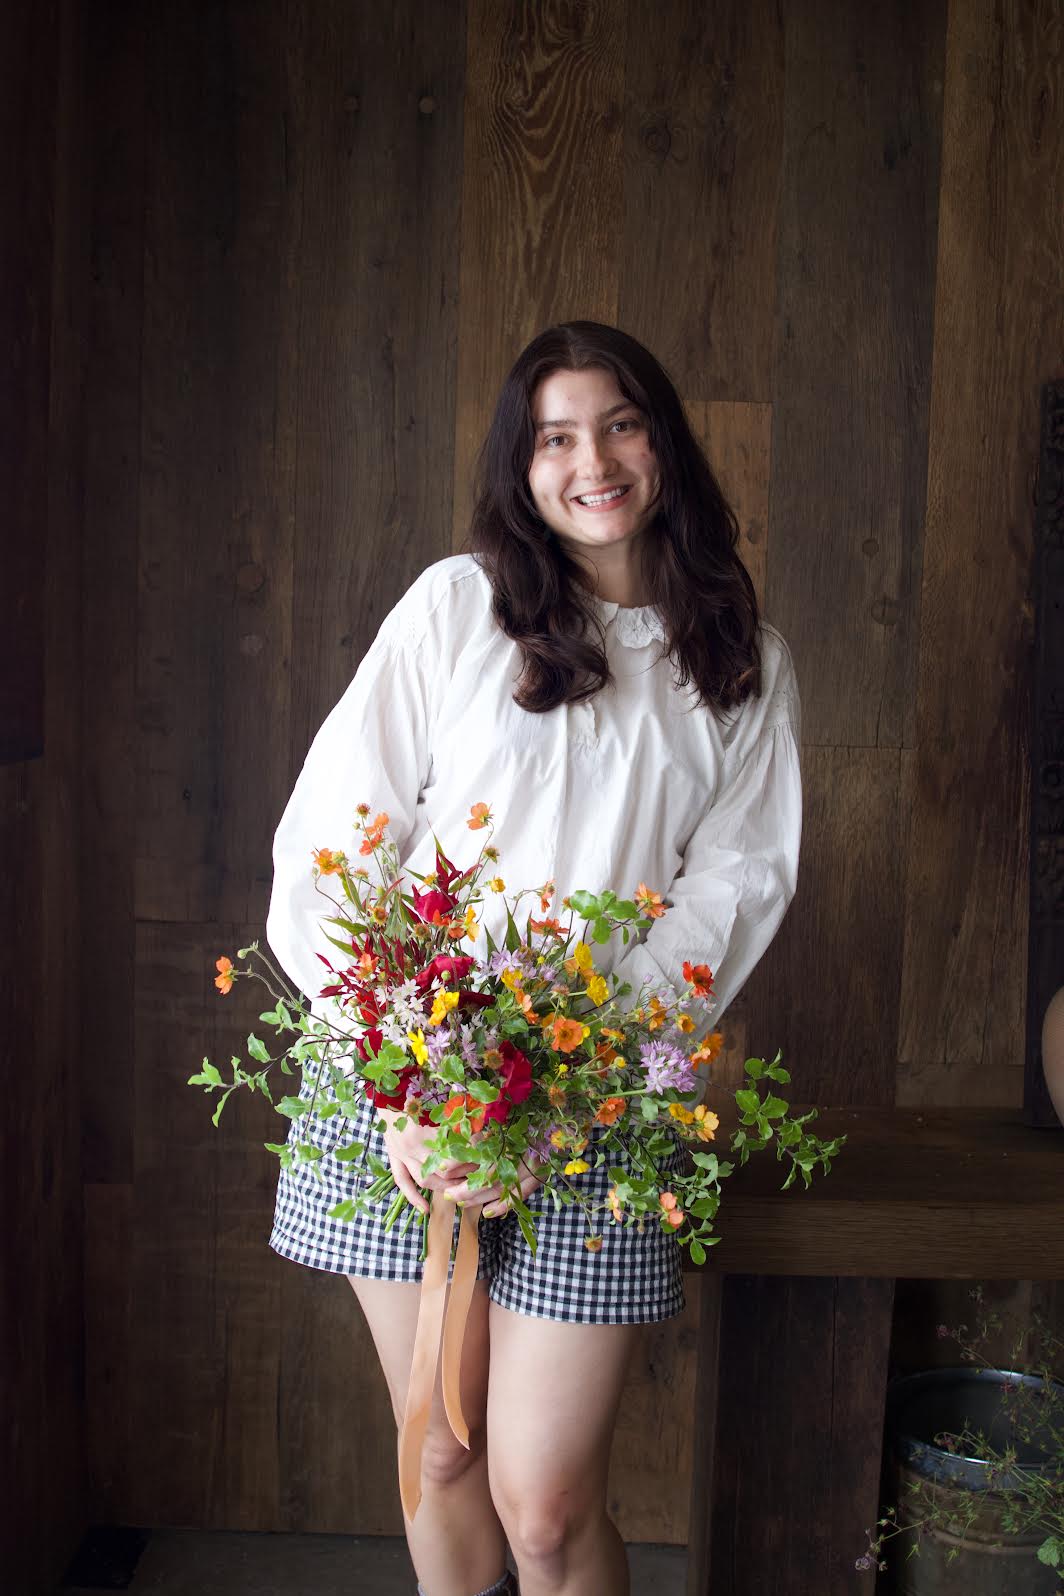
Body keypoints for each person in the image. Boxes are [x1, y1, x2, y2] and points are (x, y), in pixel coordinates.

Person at [264, 321, 803, 1596]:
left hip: (598, 1093)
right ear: (523, 464)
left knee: (546, 1506)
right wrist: (408, 1077)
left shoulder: (739, 663)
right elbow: (338, 839)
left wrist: (572, 1061)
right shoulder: (461, 611)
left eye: (619, 424)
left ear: (660, 438)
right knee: (441, 1453)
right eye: (556, 436)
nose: (592, 461)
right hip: (401, 1082)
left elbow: (732, 888)